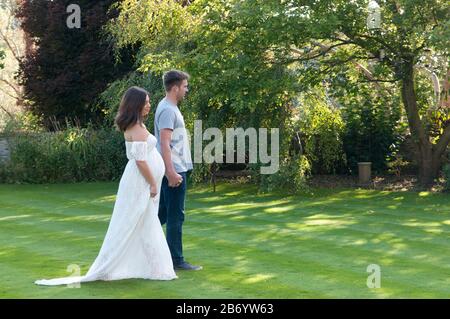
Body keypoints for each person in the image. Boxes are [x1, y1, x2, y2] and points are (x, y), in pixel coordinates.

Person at [35, 86, 177, 286]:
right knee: (140, 222)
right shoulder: (135, 127)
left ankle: (153, 267)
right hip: (140, 182)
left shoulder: (138, 124)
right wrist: (153, 183)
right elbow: (140, 160)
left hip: (144, 181)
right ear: (136, 104)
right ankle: (157, 268)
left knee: (146, 222)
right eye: (145, 101)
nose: (149, 105)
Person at [155, 70, 202, 271]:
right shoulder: (168, 110)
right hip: (174, 171)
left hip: (175, 169)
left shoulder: (169, 107)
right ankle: (176, 260)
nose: (186, 90)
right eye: (184, 86)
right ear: (175, 88)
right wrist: (171, 172)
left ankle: (143, 250)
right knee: (175, 216)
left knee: (160, 216)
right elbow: (164, 144)